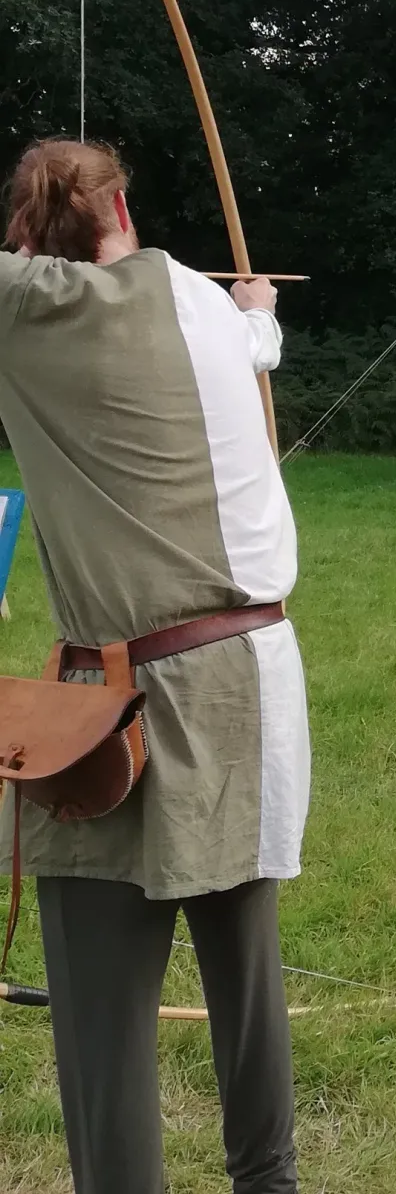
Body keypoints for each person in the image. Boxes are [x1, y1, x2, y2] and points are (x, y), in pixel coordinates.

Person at [0, 137, 309, 1194]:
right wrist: (260, 310)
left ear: (32, 235)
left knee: (101, 1009)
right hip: (249, 676)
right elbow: (258, 338)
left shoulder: (29, 306)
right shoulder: (206, 304)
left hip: (116, 697)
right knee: (244, 963)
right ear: (123, 213)